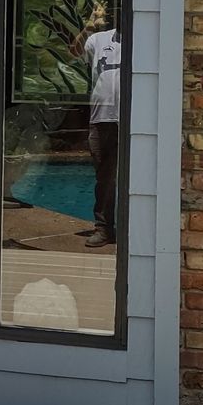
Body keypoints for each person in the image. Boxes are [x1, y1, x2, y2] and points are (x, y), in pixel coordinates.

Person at [81, 20, 122, 247]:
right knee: (104, 178)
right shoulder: (98, 39)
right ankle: (105, 228)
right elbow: (73, 53)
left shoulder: (143, 39)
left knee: (123, 176)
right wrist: (87, 27)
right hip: (100, 119)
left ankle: (117, 228)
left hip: (129, 121)